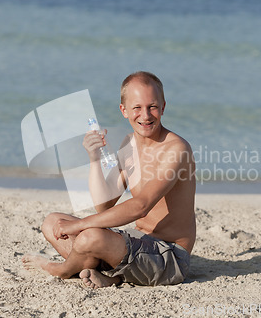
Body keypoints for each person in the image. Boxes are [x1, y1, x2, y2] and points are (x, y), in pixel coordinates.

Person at [23, 71, 196, 288]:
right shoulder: (129, 144)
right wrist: (94, 159)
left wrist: (79, 225)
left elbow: (141, 207)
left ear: (162, 107)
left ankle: (63, 269)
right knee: (52, 222)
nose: (146, 115)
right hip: (137, 242)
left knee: (88, 237)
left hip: (169, 257)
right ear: (124, 110)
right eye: (137, 108)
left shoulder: (176, 149)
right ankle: (110, 275)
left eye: (152, 106)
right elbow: (103, 205)